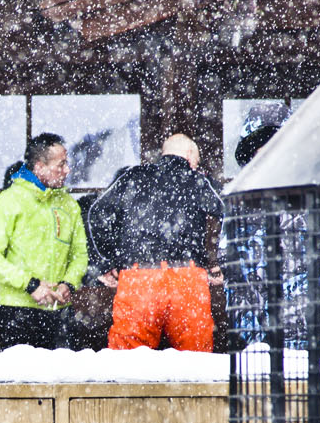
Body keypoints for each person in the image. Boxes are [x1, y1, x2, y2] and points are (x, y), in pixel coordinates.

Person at [223, 123, 320, 353]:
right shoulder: (241, 202)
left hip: (317, 332)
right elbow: (232, 265)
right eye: (259, 154)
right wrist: (251, 328)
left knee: (316, 387)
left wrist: (316, 294)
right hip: (261, 342)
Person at [86, 133, 227, 351]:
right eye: (197, 162)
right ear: (190, 155)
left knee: (128, 359)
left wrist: (111, 259)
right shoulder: (199, 181)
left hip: (139, 277)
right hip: (187, 278)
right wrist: (217, 263)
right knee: (196, 359)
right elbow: (227, 214)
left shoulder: (132, 176)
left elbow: (97, 213)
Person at [0, 133, 87, 349]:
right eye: (61, 164)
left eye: (67, 163)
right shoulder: (8, 201)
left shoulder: (69, 205)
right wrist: (30, 285)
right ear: (39, 166)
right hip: (18, 312)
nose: (67, 170)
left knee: (67, 381)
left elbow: (80, 254)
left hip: (61, 312)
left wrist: (69, 284)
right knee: (21, 381)